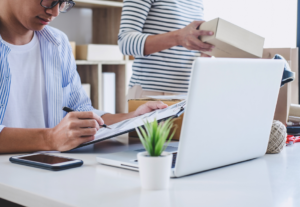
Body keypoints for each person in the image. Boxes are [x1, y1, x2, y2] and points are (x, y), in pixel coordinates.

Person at [0, 0, 167, 153]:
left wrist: (132, 119)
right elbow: (54, 138)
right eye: (49, 0)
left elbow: (81, 111)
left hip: (49, 169)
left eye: (62, 2)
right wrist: (50, 138)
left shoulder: (57, 43)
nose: (55, 12)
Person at [118, 0, 214, 99]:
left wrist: (203, 54)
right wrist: (178, 37)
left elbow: (187, 43)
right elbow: (125, 42)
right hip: (151, 94)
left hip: (189, 94)